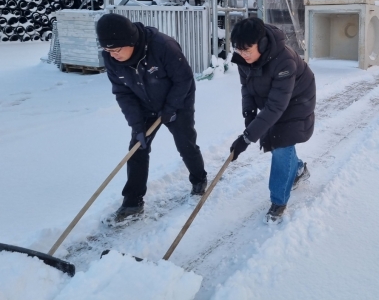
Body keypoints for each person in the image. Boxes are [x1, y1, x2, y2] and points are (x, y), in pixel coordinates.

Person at [96, 13, 208, 222]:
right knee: (137, 149)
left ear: (130, 42)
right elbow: (123, 92)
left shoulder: (162, 46)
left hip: (178, 101)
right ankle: (132, 202)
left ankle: (199, 178)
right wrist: (137, 125)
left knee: (185, 143)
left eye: (116, 49)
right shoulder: (112, 59)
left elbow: (183, 80)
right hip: (143, 104)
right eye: (107, 50)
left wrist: (171, 108)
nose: (112, 55)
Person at [229, 17, 315, 224]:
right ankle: (298, 169)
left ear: (263, 43)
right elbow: (246, 87)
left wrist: (247, 138)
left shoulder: (284, 61)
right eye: (239, 50)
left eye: (247, 50)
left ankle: (278, 201)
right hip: (273, 98)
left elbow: (277, 107)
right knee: (275, 137)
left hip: (297, 100)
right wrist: (249, 114)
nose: (242, 55)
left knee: (281, 144)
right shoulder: (245, 56)